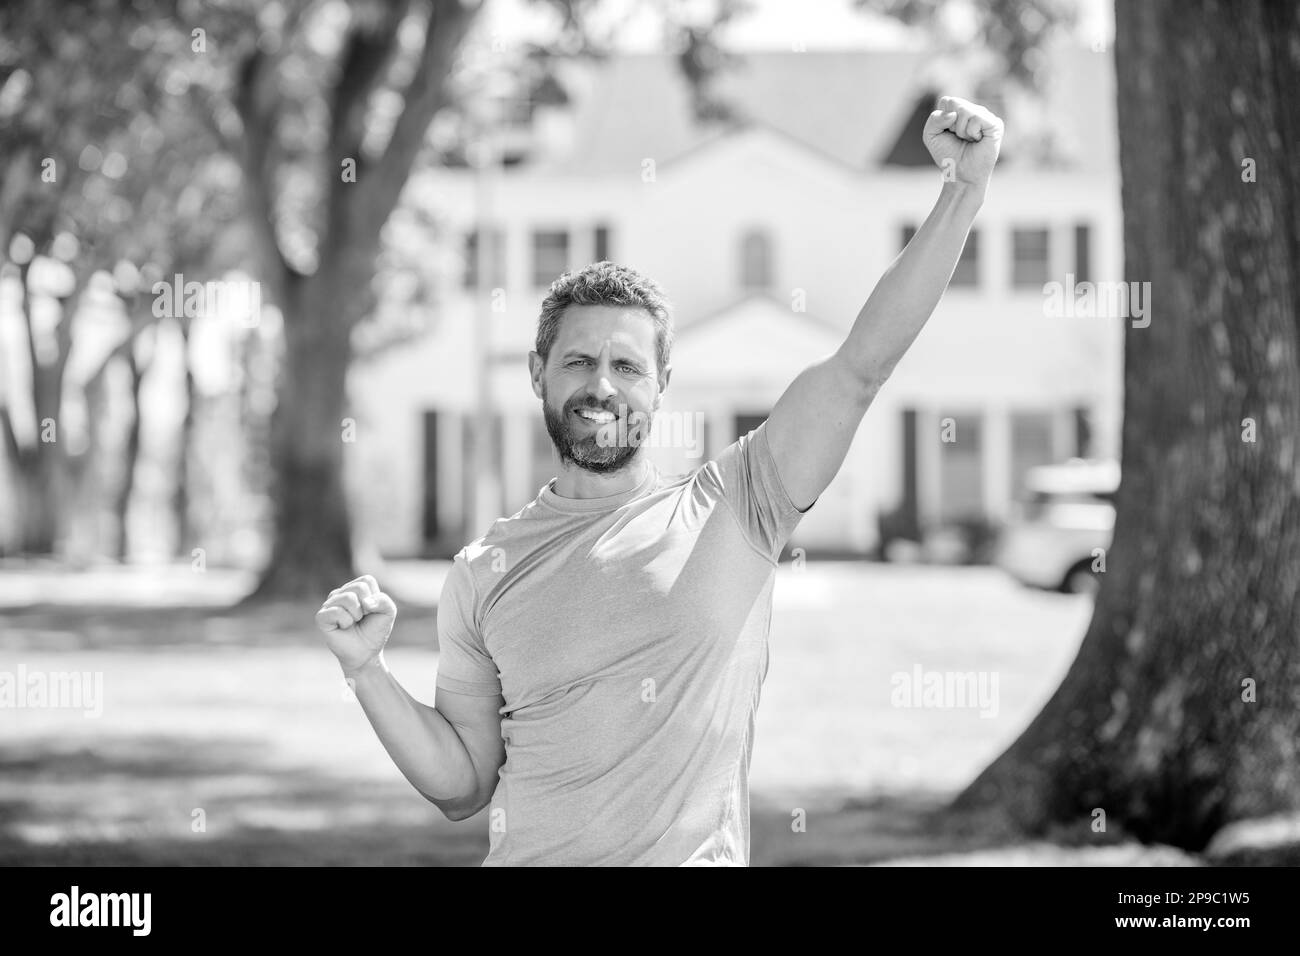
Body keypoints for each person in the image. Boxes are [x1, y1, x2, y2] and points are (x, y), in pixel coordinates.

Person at [315, 96, 1003, 865]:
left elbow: (859, 368)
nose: (601, 385)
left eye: (626, 366)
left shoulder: (741, 504)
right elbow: (461, 783)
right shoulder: (483, 573)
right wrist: (366, 671)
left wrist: (962, 194)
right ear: (539, 373)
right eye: (578, 361)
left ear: (661, 381)